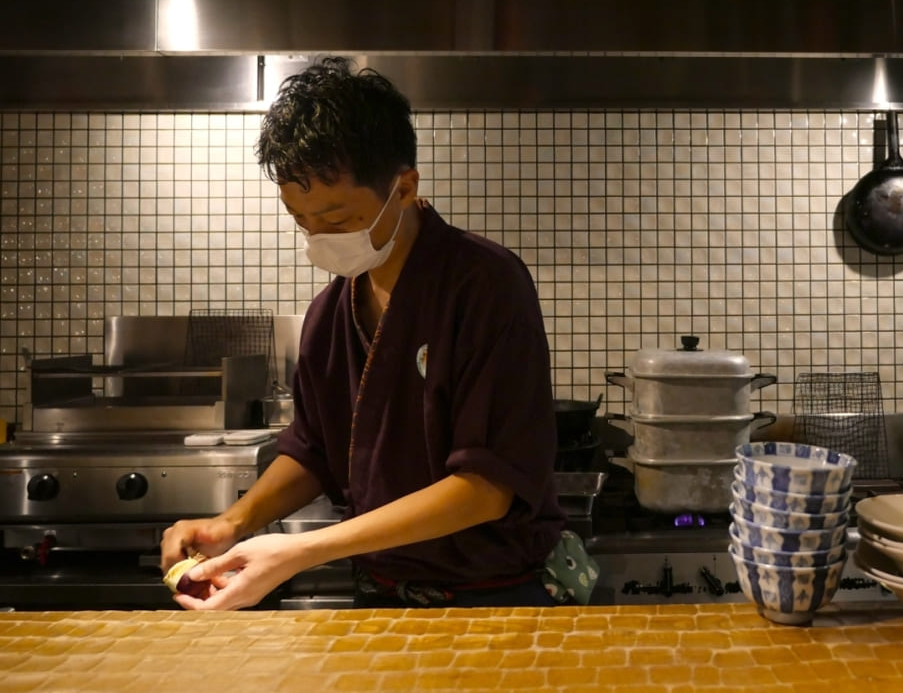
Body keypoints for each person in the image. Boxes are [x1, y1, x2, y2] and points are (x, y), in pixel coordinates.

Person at [161, 57, 592, 610]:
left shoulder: (485, 284)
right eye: (301, 220)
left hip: (492, 597)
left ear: (405, 188)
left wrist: (301, 551)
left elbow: (488, 486)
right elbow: (315, 450)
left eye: (337, 220)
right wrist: (235, 521)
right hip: (382, 595)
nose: (318, 239)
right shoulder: (329, 314)